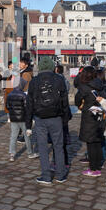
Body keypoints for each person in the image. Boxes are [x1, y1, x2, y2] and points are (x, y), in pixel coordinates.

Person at [26, 56, 69, 185]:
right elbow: (64, 101)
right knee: (58, 146)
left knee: (43, 147)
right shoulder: (59, 79)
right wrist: (65, 119)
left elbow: (29, 103)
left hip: (40, 117)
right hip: (56, 117)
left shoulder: (34, 81)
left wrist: (28, 124)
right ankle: (61, 175)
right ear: (52, 67)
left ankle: (46, 176)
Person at [75, 66, 105, 177]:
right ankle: (98, 164)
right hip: (99, 113)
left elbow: (77, 99)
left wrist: (80, 106)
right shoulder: (100, 84)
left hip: (89, 114)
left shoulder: (84, 87)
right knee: (97, 140)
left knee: (91, 142)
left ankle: (93, 169)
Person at [6, 79, 37, 161]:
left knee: (13, 136)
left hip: (14, 118)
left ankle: (12, 154)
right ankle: (30, 153)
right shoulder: (24, 95)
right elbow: (27, 108)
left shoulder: (9, 95)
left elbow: (8, 106)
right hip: (23, 118)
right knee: (27, 136)